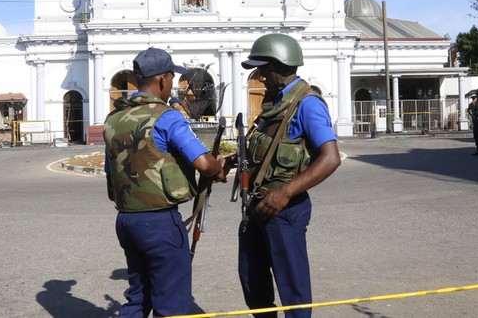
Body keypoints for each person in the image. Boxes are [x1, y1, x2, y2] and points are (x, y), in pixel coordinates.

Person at [103, 47, 225, 317]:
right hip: (159, 223)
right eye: (172, 78)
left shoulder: (113, 120)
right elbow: (204, 164)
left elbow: (111, 171)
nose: (173, 85)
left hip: (126, 220)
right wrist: (218, 168)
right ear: (161, 79)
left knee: (137, 299)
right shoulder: (167, 117)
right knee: (171, 305)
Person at [230, 33, 341, 318]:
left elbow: (331, 158)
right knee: (253, 282)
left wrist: (285, 192)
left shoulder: (307, 103)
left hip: (284, 210)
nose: (260, 76)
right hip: (256, 206)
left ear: (282, 65)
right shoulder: (274, 105)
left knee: (292, 289)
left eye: (264, 70)